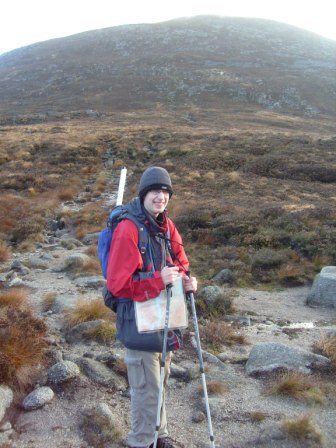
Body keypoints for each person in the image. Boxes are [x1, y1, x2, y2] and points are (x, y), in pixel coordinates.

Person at [106, 166, 197, 448]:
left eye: (166, 191)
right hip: (138, 321)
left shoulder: (167, 226)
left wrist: (186, 282)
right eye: (155, 191)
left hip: (164, 316)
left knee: (161, 380)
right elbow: (117, 284)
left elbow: (181, 263)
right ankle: (141, 442)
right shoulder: (127, 229)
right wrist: (158, 279)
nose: (161, 196)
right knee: (146, 388)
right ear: (144, 193)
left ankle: (160, 435)